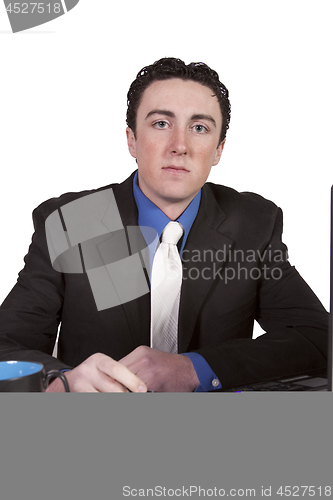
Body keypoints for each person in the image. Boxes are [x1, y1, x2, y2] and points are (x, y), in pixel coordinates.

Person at [0, 58, 328, 392]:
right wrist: (61, 383)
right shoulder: (72, 222)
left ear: (218, 150)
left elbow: (317, 337)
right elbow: (5, 345)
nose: (180, 146)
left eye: (199, 128)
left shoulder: (253, 223)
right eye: (161, 124)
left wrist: (195, 369)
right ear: (132, 140)